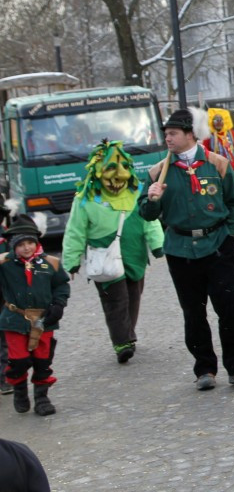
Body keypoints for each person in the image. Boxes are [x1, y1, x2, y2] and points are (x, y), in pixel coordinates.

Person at [139, 109, 234, 391]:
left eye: (173, 134)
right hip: (180, 250)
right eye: (165, 134)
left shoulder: (217, 164)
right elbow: (146, 214)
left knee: (228, 308)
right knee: (193, 312)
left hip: (218, 246)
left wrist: (232, 234)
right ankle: (204, 369)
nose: (168, 138)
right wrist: (153, 200)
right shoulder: (157, 172)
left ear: (190, 135)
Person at [61, 141, 164, 363]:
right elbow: (75, 231)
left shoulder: (136, 192)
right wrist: (71, 261)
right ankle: (122, 342)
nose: (117, 178)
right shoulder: (85, 199)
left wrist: (157, 244)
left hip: (134, 254)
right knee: (115, 300)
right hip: (103, 256)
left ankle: (128, 332)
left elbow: (150, 220)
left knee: (134, 296)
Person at [1, 214, 70, 416]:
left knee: (42, 360)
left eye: (30, 242)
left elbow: (61, 285)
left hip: (43, 319)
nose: (26, 247)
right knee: (19, 360)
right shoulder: (5, 264)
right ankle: (20, 389)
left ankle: (42, 398)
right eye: (21, 244)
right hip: (14, 319)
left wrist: (58, 305)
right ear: (13, 246)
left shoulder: (51, 263)